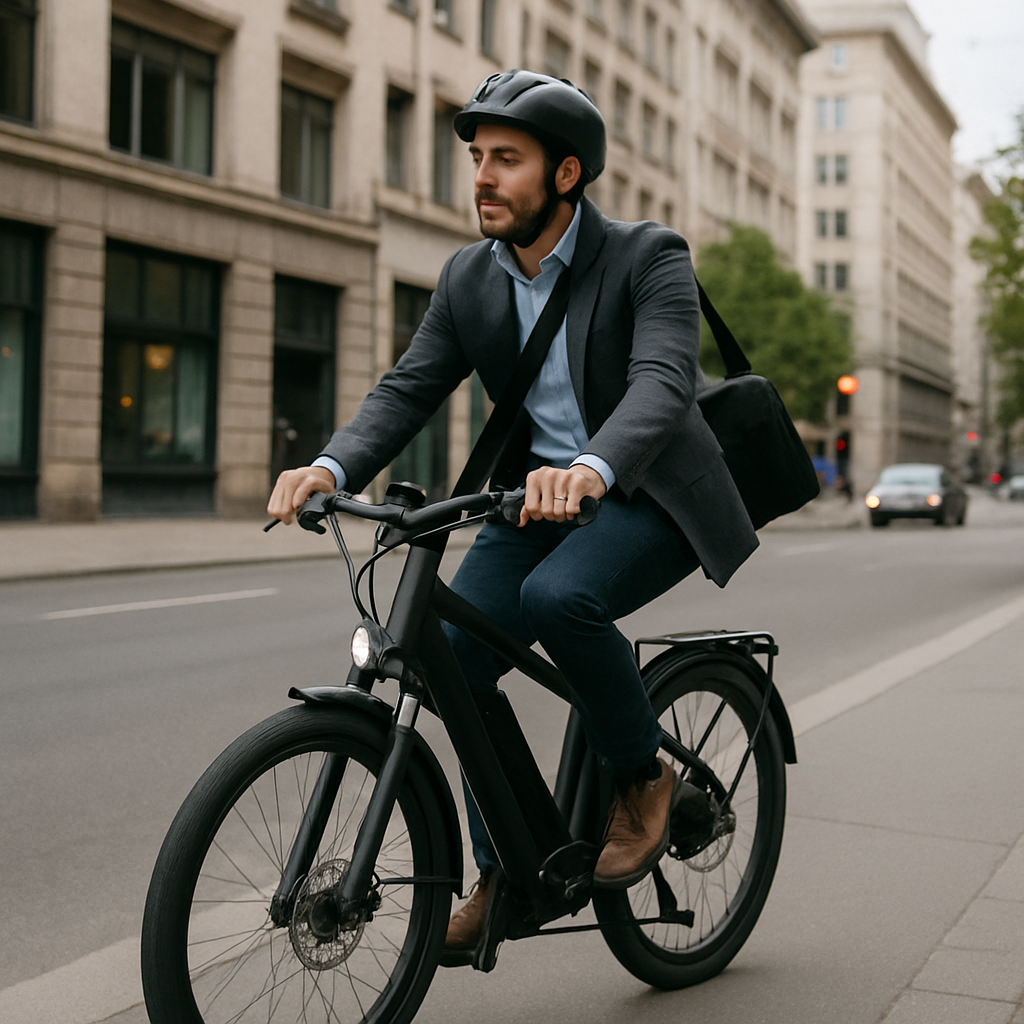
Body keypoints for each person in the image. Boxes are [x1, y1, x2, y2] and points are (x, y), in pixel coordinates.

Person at [267, 70, 758, 955]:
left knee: (558, 599)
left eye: (507, 159)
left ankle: (641, 775)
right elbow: (408, 386)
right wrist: (329, 463)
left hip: (647, 491)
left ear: (566, 175)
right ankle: (507, 875)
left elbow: (660, 384)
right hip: (526, 497)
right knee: (445, 665)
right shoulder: (469, 278)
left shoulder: (650, 257)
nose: (483, 176)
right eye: (477, 158)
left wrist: (593, 465)